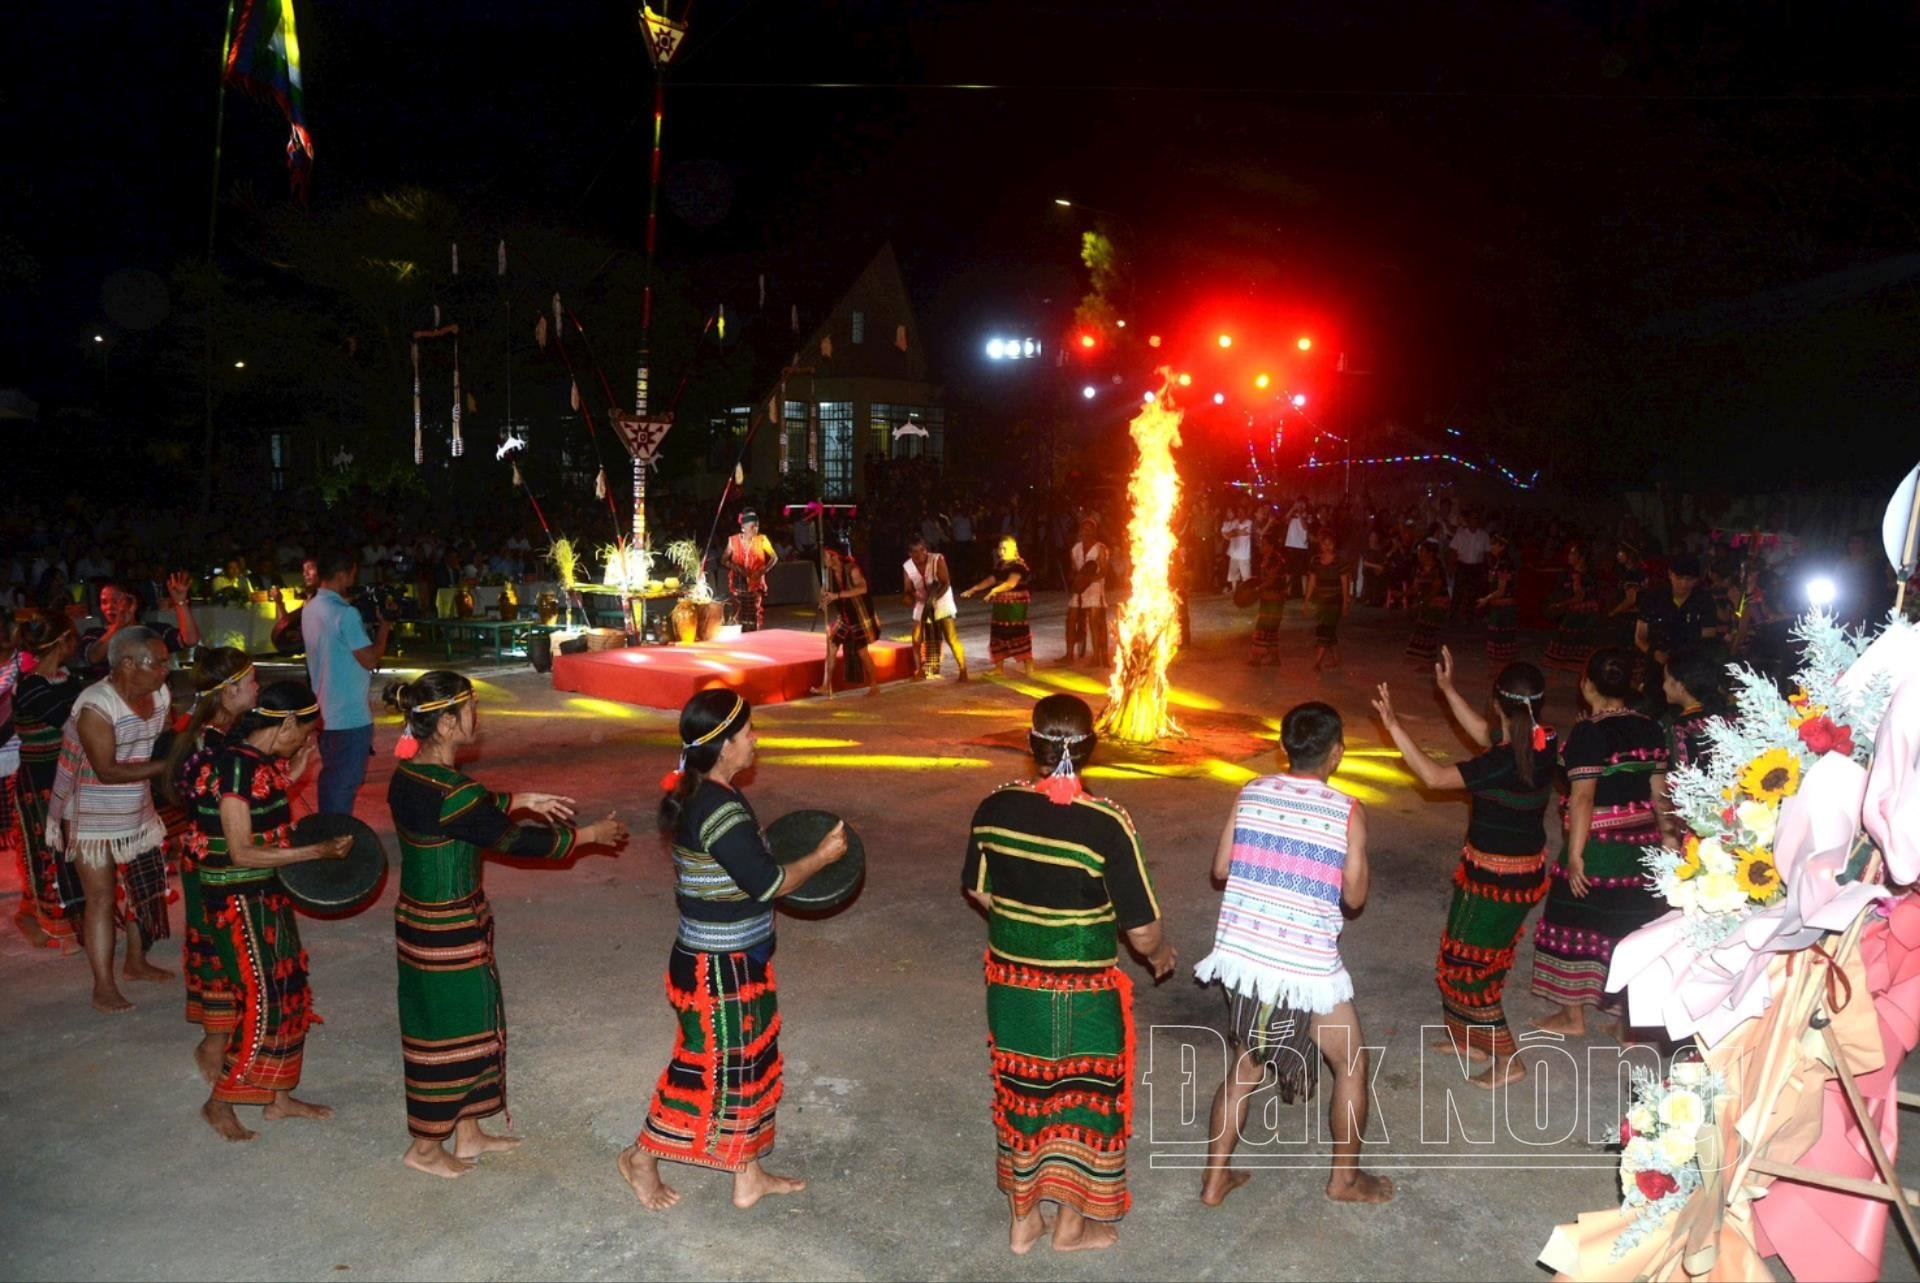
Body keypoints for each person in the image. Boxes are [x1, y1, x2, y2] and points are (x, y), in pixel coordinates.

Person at [387, 672, 627, 1178]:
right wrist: (587, 835)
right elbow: (510, 840)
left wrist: (517, 799)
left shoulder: (411, 775)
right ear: (449, 722)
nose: (479, 717)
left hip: (427, 920)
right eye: (472, 708)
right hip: (445, 929)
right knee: (450, 1031)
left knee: (475, 1021)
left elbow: (465, 810)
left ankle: (468, 1133)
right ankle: (425, 1149)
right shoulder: (454, 793)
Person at [620, 691, 848, 1212]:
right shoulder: (716, 809)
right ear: (723, 745)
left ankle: (747, 1173)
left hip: (736, 959)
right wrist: (822, 855)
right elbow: (768, 883)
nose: (755, 740)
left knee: (748, 1064)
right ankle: (640, 1156)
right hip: (714, 969)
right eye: (748, 733)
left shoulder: (711, 791)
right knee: (707, 1070)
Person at [963, 694, 1173, 1252]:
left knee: (1023, 1094)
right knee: (1084, 1100)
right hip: (1082, 993)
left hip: (1012, 986)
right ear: (1091, 751)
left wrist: (1026, 925)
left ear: (1030, 746)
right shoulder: (1106, 823)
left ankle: (1023, 1219)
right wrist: (1160, 958)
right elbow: (1144, 931)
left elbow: (978, 889)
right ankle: (1073, 1226)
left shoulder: (994, 808)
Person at [1193, 701, 1391, 1207]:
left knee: (1244, 1069)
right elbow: (1354, 898)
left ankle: (1214, 1182)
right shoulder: (1348, 811)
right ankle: (1344, 1180)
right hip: (1302, 969)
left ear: (1285, 748)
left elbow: (1220, 868)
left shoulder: (1250, 791)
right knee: (1352, 1063)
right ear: (1337, 753)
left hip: (1242, 959)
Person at [1373, 650, 1555, 1088]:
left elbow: (1435, 778)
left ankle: (1509, 1059)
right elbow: (1484, 733)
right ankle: (1471, 1038)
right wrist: (1448, 690)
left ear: (1498, 702)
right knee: (1461, 952)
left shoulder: (1502, 761)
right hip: (1506, 872)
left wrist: (1394, 726)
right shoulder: (1540, 741)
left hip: (1497, 881)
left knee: (1470, 968)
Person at [187, 680, 349, 1141]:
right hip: (238, 898)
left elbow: (265, 805)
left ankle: (277, 1099)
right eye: (305, 730)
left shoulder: (253, 760)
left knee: (287, 988)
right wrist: (317, 852)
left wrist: (296, 770)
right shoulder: (236, 768)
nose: (306, 739)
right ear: (288, 723)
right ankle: (219, 1103)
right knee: (265, 1001)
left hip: (263, 893)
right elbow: (240, 850)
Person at [1529, 648, 1671, 1037]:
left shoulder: (1590, 733)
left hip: (1599, 844)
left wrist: (1575, 855)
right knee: (1630, 928)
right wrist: (1670, 841)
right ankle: (1628, 1023)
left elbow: (1583, 798)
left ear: (1586, 683)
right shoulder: (1651, 728)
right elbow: (1660, 794)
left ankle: (1572, 1017)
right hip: (1641, 845)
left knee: (1569, 919)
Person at [45, 626, 175, 1012]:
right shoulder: (97, 705)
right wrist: (171, 766)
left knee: (141, 891)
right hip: (93, 817)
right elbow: (107, 770)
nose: (166, 670)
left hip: (138, 807)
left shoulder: (159, 694)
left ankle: (135, 961)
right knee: (101, 899)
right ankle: (103, 985)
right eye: (159, 663)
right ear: (128, 663)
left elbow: (162, 738)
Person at [163, 648, 259, 1082]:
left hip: (212, 854)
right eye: (252, 680)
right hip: (214, 861)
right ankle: (213, 1045)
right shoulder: (212, 745)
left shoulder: (216, 733)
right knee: (221, 951)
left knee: (226, 948)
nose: (257, 687)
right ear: (229, 691)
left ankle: (225, 1039)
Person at [9, 614, 86, 949]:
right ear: (63, 642)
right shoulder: (29, 687)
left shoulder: (68, 679)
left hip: (69, 777)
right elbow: (72, 720)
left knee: (75, 852)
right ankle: (49, 920)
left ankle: (80, 919)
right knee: (48, 854)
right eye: (74, 638)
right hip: (41, 784)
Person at [302, 549, 392, 815]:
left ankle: (329, 829)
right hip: (349, 716)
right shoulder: (346, 613)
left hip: (324, 711)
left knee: (332, 779)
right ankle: (336, 838)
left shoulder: (310, 608)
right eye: (352, 573)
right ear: (343, 574)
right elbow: (370, 659)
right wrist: (385, 628)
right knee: (344, 783)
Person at [78, 574, 201, 680]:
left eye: (116, 601)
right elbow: (93, 657)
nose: (109, 607)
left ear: (133, 602)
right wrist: (117, 626)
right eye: (104, 602)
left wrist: (180, 602)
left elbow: (190, 640)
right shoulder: (95, 634)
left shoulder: (154, 631)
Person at [816, 536, 883, 698]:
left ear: (833, 556)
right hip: (845, 615)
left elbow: (863, 588)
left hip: (859, 614)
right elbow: (826, 592)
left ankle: (874, 685)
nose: (823, 559)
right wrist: (823, 600)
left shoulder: (851, 569)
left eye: (825, 555)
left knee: (861, 651)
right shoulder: (829, 573)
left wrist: (837, 595)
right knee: (831, 644)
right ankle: (826, 685)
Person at [962, 535, 1033, 676]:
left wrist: (993, 591)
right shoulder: (1001, 565)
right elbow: (991, 579)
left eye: (1005, 548)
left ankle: (1029, 667)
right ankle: (999, 668)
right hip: (1001, 607)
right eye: (1000, 548)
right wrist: (974, 589)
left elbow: (1010, 583)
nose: (1001, 551)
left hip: (1015, 608)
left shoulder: (1019, 565)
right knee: (998, 634)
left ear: (1014, 549)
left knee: (1018, 633)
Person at [1636, 553, 1723, 666]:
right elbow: (1640, 637)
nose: (1683, 584)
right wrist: (1654, 653)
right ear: (1670, 575)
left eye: (1689, 579)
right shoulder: (1654, 598)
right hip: (1657, 664)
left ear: (1696, 580)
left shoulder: (1704, 601)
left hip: (1690, 666)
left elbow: (1708, 638)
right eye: (1679, 578)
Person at [903, 535, 966, 681]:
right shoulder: (907, 566)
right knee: (916, 638)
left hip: (942, 599)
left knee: (951, 636)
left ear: (926, 550)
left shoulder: (938, 559)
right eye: (915, 552)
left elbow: (945, 583)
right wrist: (910, 596)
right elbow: (907, 589)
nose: (919, 555)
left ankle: (963, 669)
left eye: (921, 550)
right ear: (909, 553)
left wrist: (932, 600)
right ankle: (919, 671)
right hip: (922, 600)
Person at [1544, 542, 1602, 672]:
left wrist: (1559, 605)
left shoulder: (1577, 575)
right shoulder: (1586, 573)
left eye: (1573, 553)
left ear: (1581, 557)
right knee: (1581, 640)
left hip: (1580, 611)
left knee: (1566, 639)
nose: (1569, 556)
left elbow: (1579, 597)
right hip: (1591, 610)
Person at [723, 509, 778, 633]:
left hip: (755, 582)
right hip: (739, 582)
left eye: (757, 526)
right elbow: (723, 560)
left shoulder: (762, 539)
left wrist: (763, 570)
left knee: (754, 612)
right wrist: (736, 567)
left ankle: (754, 635)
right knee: (740, 612)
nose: (755, 529)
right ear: (743, 527)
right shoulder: (733, 541)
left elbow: (774, 557)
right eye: (752, 527)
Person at [1065, 516, 1111, 668]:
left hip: (1094, 587)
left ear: (1094, 531)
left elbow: (1103, 572)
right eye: (1084, 529)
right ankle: (1069, 654)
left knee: (1094, 620)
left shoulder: (1100, 549)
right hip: (1080, 587)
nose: (1087, 531)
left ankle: (1097, 656)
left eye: (1090, 529)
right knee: (1071, 617)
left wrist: (1088, 579)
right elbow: (1073, 569)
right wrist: (1075, 578)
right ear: (1081, 531)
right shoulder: (1076, 548)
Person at [1305, 530, 1351, 672]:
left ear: (1334, 545)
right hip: (1321, 601)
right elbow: (1312, 581)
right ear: (1320, 545)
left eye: (1330, 544)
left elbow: (1345, 583)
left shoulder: (1340, 561)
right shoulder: (1315, 561)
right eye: (1324, 544)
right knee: (1326, 629)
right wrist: (1306, 600)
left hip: (1334, 601)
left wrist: (1345, 603)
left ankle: (1317, 662)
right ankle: (1336, 659)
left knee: (1326, 629)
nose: (1327, 547)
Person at [1404, 542, 1450, 671]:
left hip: (1437, 603)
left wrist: (1421, 603)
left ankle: (1428, 663)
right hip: (1425, 603)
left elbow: (1435, 590)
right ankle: (1427, 663)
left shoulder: (1438, 569)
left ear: (1430, 553)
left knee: (1426, 631)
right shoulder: (1420, 569)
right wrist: (1402, 594)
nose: (1419, 554)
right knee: (1424, 632)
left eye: (1421, 551)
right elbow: (1415, 588)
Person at [1479, 532, 1519, 662]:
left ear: (1502, 546)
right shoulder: (1498, 563)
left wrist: (1486, 599)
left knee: (1501, 639)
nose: (1491, 548)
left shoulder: (1504, 564)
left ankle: (1501, 668)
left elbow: (1501, 590)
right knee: (1498, 639)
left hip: (1504, 608)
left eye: (1493, 545)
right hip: (1499, 607)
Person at [270, 556, 321, 654]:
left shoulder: (326, 598)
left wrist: (302, 634)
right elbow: (286, 625)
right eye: (304, 570)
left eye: (310, 568)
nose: (305, 573)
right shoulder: (308, 599)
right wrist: (279, 602)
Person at [1248, 554, 1285, 667]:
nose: (1262, 548)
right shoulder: (1267, 559)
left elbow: (1270, 581)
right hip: (1268, 598)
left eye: (1264, 544)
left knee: (1264, 627)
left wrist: (1257, 589)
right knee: (1270, 629)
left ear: (1271, 547)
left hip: (1274, 599)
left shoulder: (1277, 561)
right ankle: (1274, 658)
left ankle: (1257, 659)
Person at [1220, 505, 1253, 592]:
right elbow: (1226, 535)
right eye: (1238, 512)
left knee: (1246, 576)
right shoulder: (1235, 522)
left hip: (1244, 554)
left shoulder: (1249, 522)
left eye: (1242, 512)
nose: (1240, 513)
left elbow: (1245, 532)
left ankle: (1247, 591)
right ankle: (1234, 590)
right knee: (1233, 574)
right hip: (1234, 553)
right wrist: (1235, 532)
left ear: (1245, 513)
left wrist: (1234, 532)